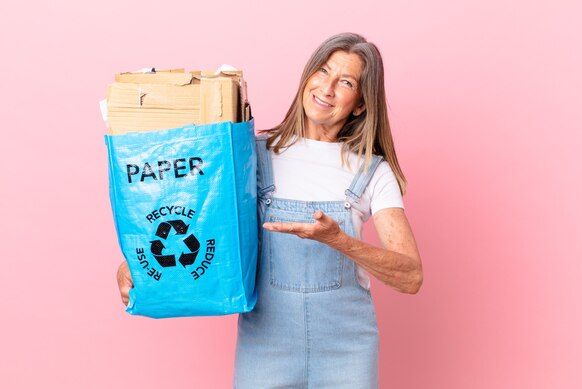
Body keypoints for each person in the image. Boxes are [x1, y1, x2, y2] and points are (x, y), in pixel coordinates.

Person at [117, 32, 423, 388]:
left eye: (345, 82)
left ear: (359, 104)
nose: (326, 88)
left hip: (348, 347)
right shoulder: (253, 154)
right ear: (307, 77)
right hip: (266, 343)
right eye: (322, 71)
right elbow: (199, 217)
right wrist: (137, 262)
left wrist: (338, 240)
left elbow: (410, 276)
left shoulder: (372, 170)